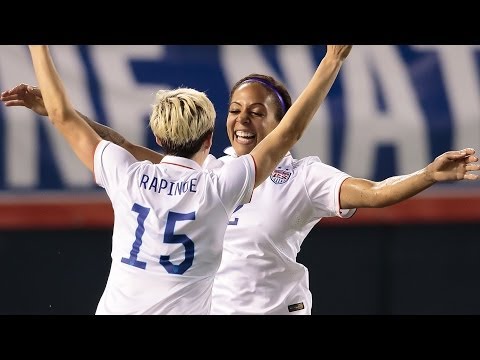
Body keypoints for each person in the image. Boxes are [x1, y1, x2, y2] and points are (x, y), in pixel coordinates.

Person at [3, 47, 479, 315]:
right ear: (215, 129)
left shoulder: (303, 176)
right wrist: (68, 116)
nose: (243, 119)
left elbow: (374, 194)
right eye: (234, 109)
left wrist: (426, 175)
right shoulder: (218, 175)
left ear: (279, 118)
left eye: (257, 111)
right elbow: (136, 151)